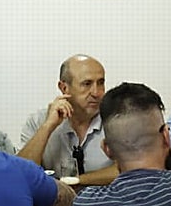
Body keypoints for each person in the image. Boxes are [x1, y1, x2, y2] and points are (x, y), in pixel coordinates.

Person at [19, 54, 117, 185]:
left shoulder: (116, 119)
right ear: (64, 88)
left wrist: (75, 181)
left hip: (104, 198)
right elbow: (20, 173)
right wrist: (47, 127)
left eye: (100, 83)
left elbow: (130, 169)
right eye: (87, 84)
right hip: (52, 198)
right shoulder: (38, 121)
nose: (96, 92)